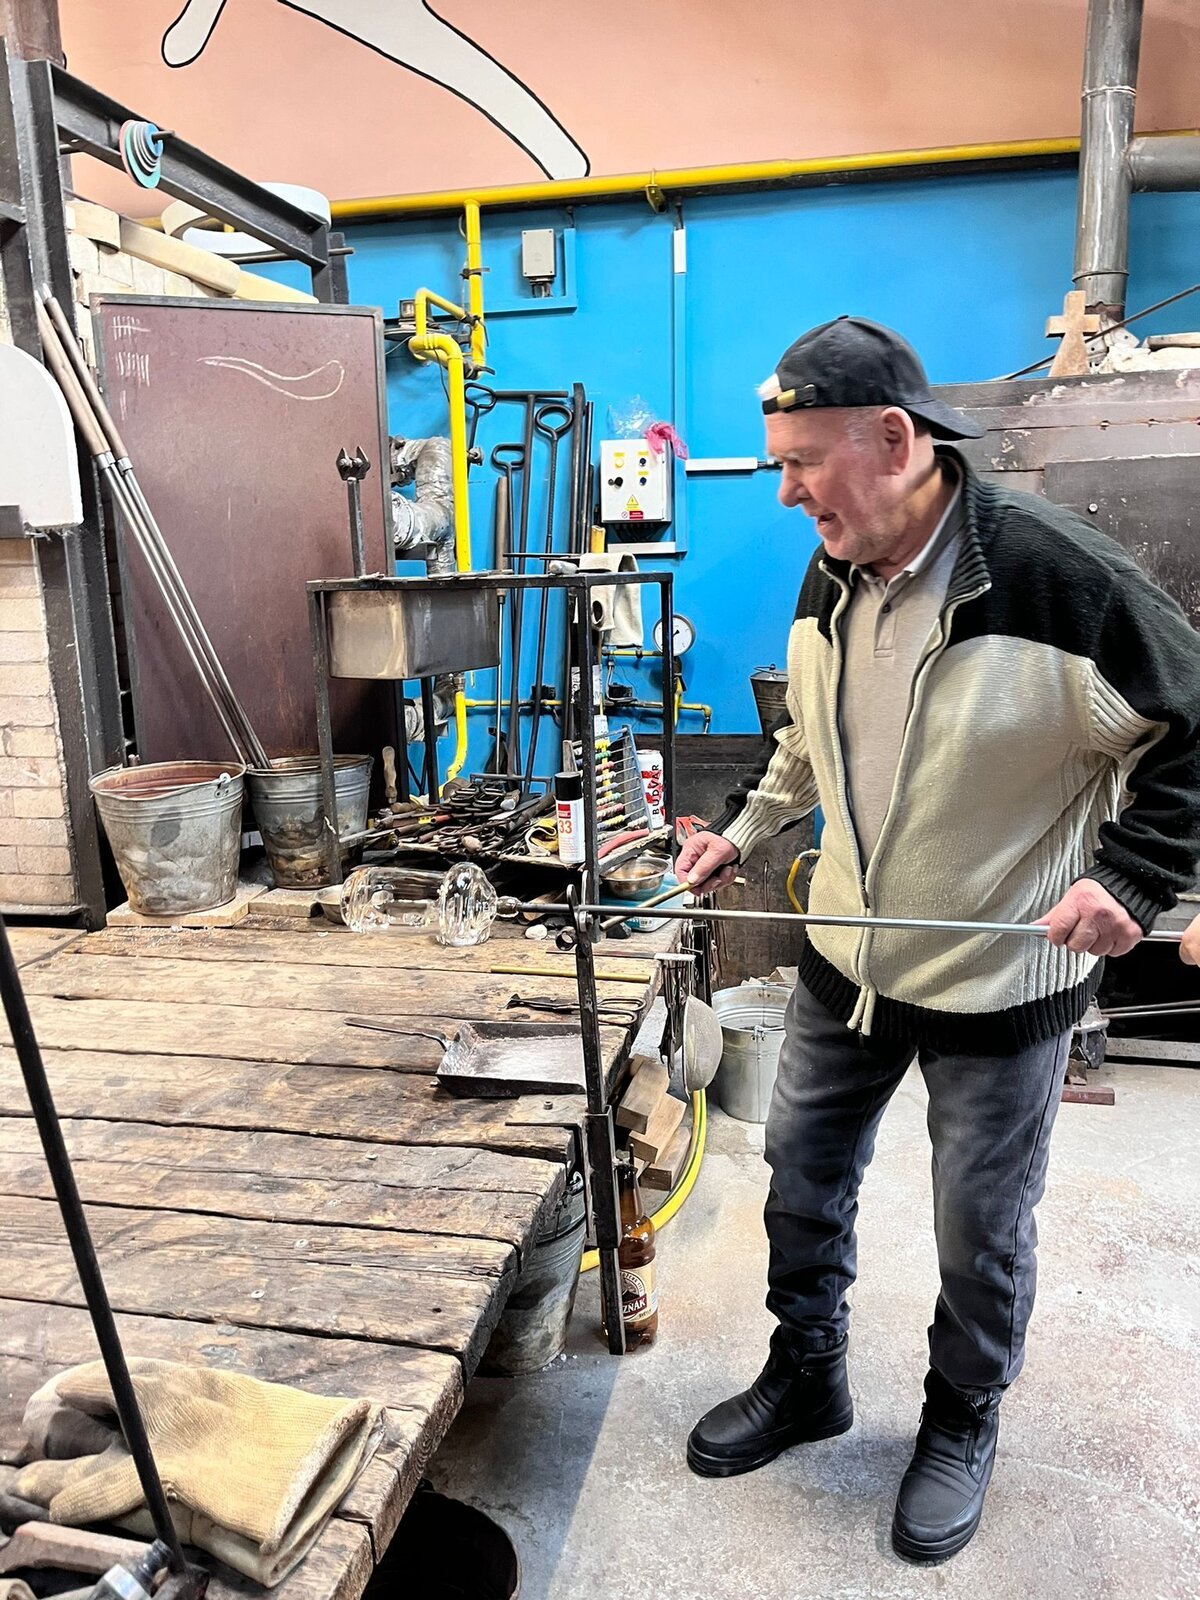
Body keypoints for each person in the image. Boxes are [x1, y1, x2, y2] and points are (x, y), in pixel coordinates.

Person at [678, 317, 1200, 1562]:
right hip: (848, 962)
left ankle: (962, 1418)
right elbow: (812, 736)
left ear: (896, 439)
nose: (786, 491)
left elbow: (1192, 724)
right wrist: (743, 829)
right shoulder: (834, 566)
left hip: (999, 977)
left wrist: (1137, 874)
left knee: (979, 1228)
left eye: (804, 460)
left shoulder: (1059, 580)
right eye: (781, 463)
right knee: (801, 1183)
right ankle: (807, 1372)